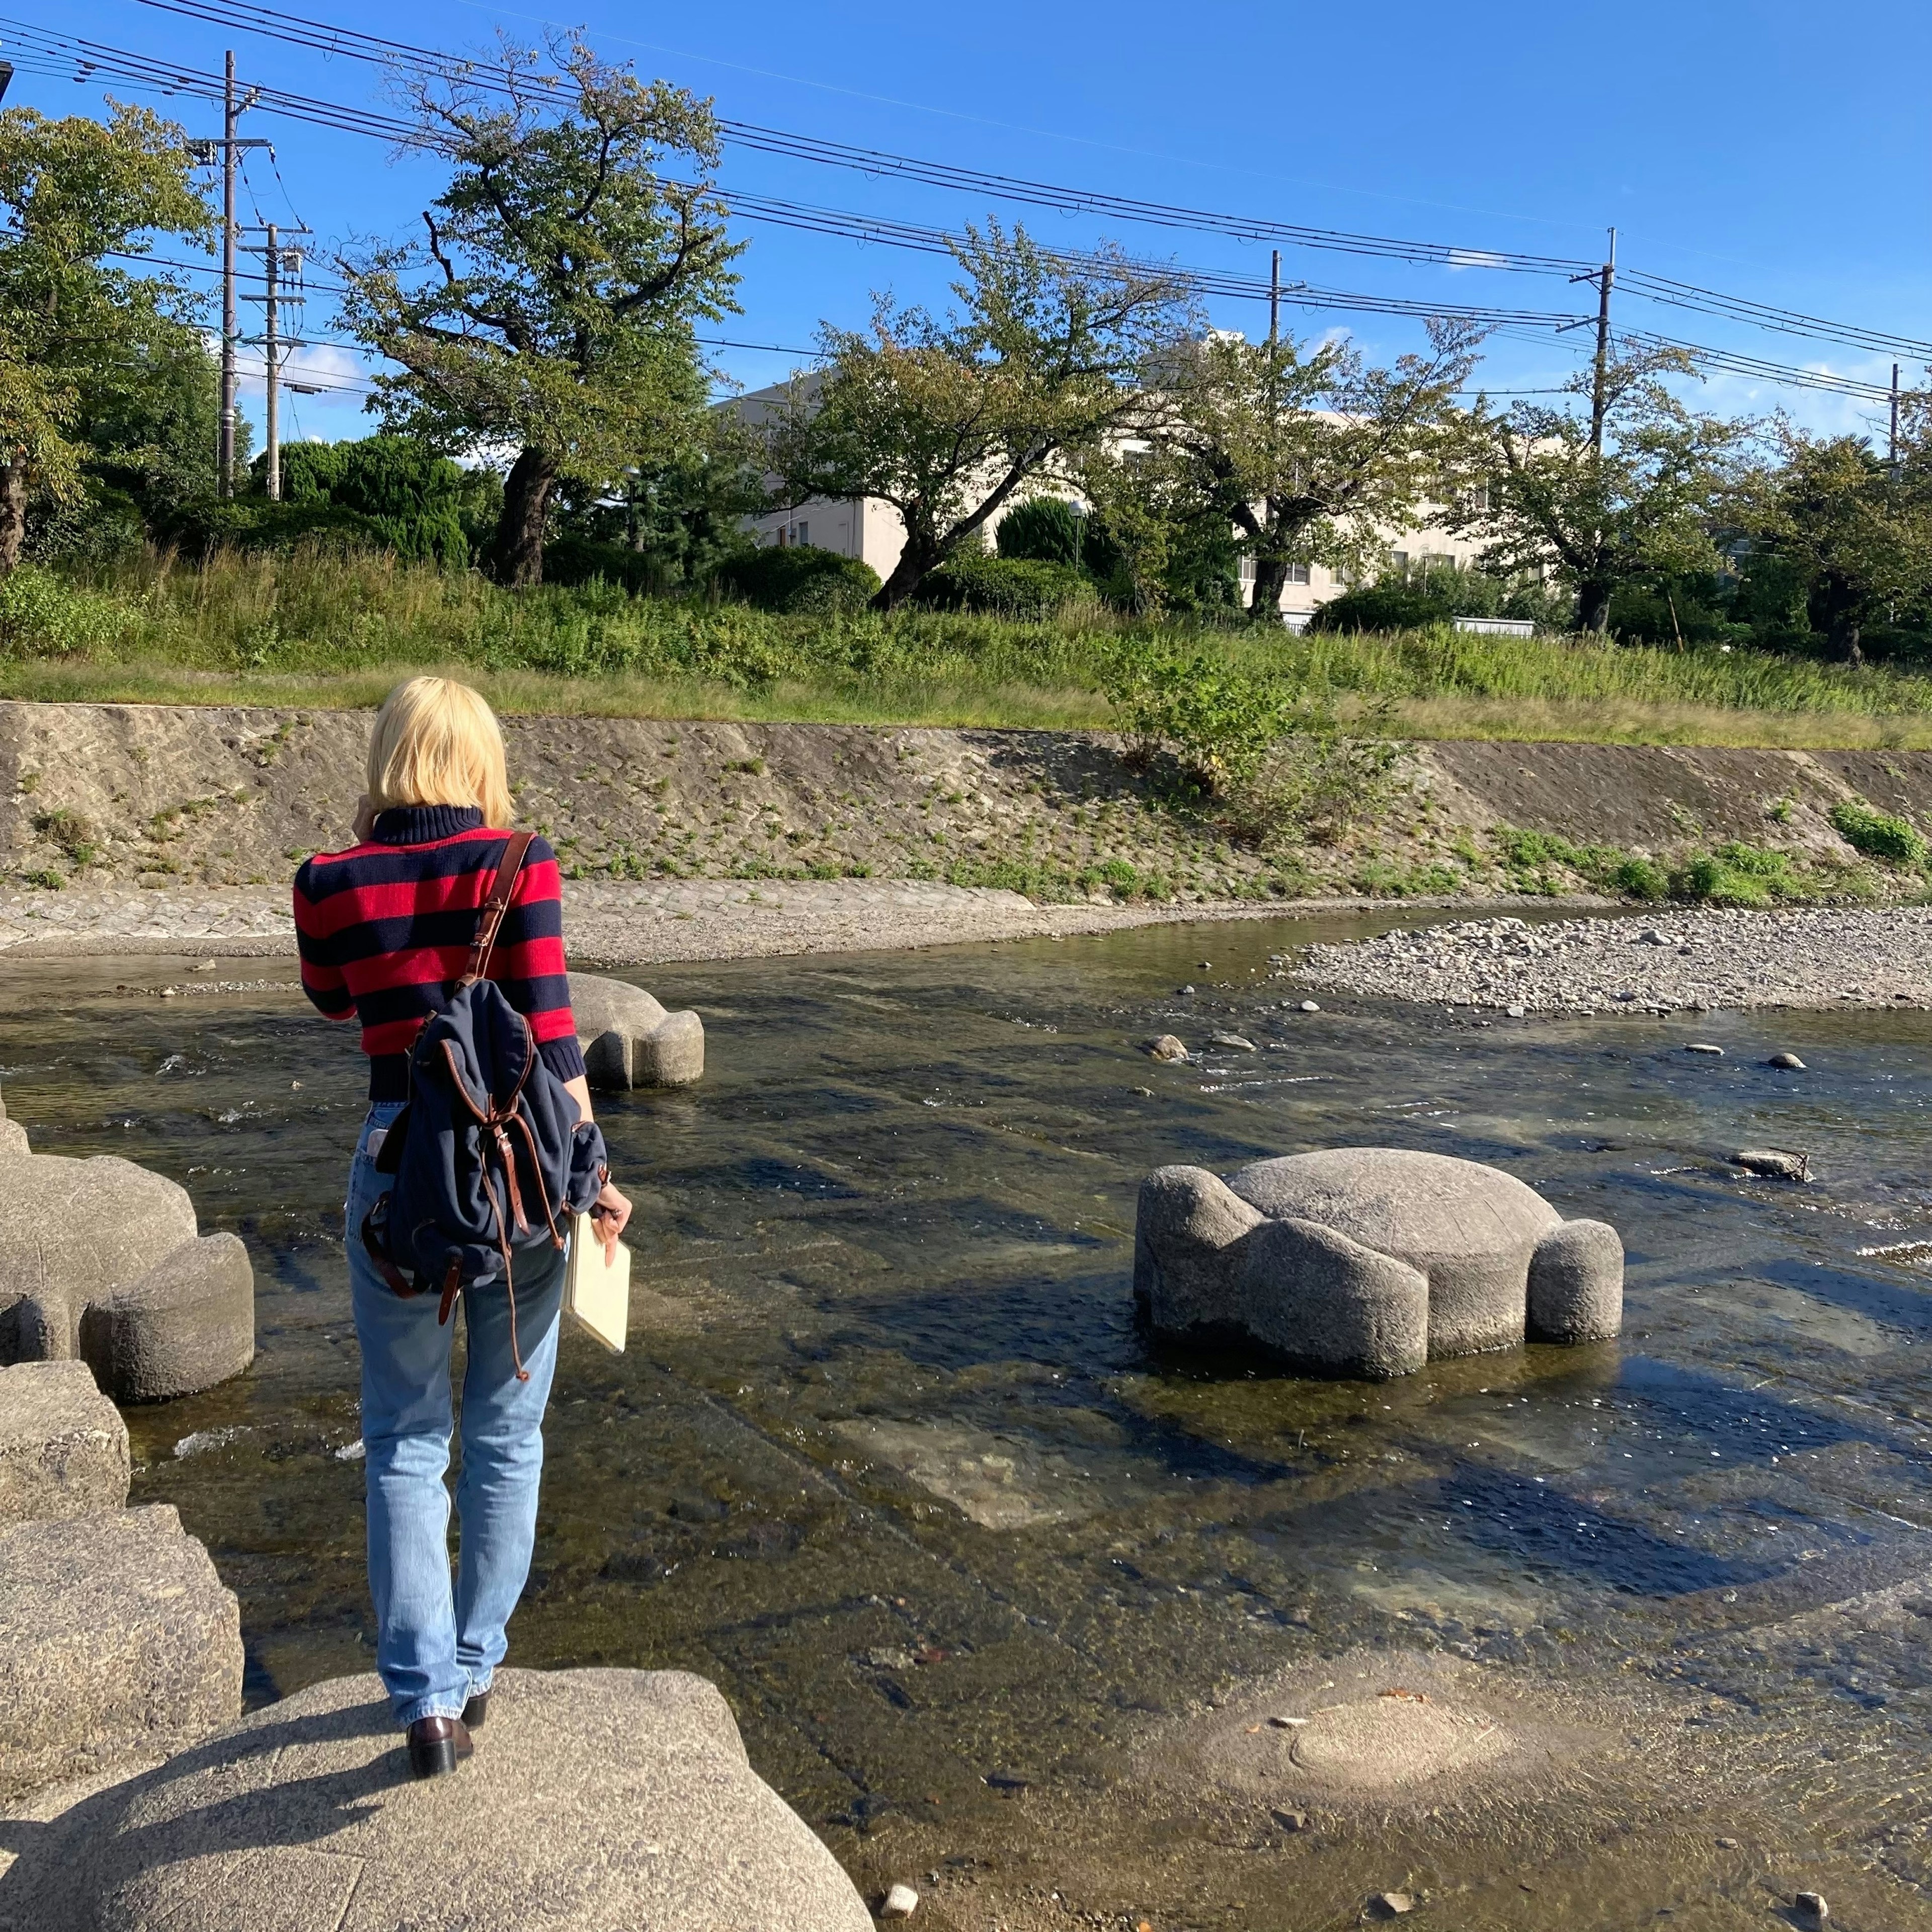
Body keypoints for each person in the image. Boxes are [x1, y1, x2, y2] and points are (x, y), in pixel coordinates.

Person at [293, 676, 631, 1779]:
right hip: (521, 1180)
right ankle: (477, 1666)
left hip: (399, 1168)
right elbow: (554, 1036)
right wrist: (596, 1175)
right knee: (506, 1436)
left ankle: (424, 1701)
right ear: (478, 761)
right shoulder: (519, 862)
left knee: (402, 1437)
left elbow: (334, 1002)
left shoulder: (326, 881)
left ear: (388, 754)